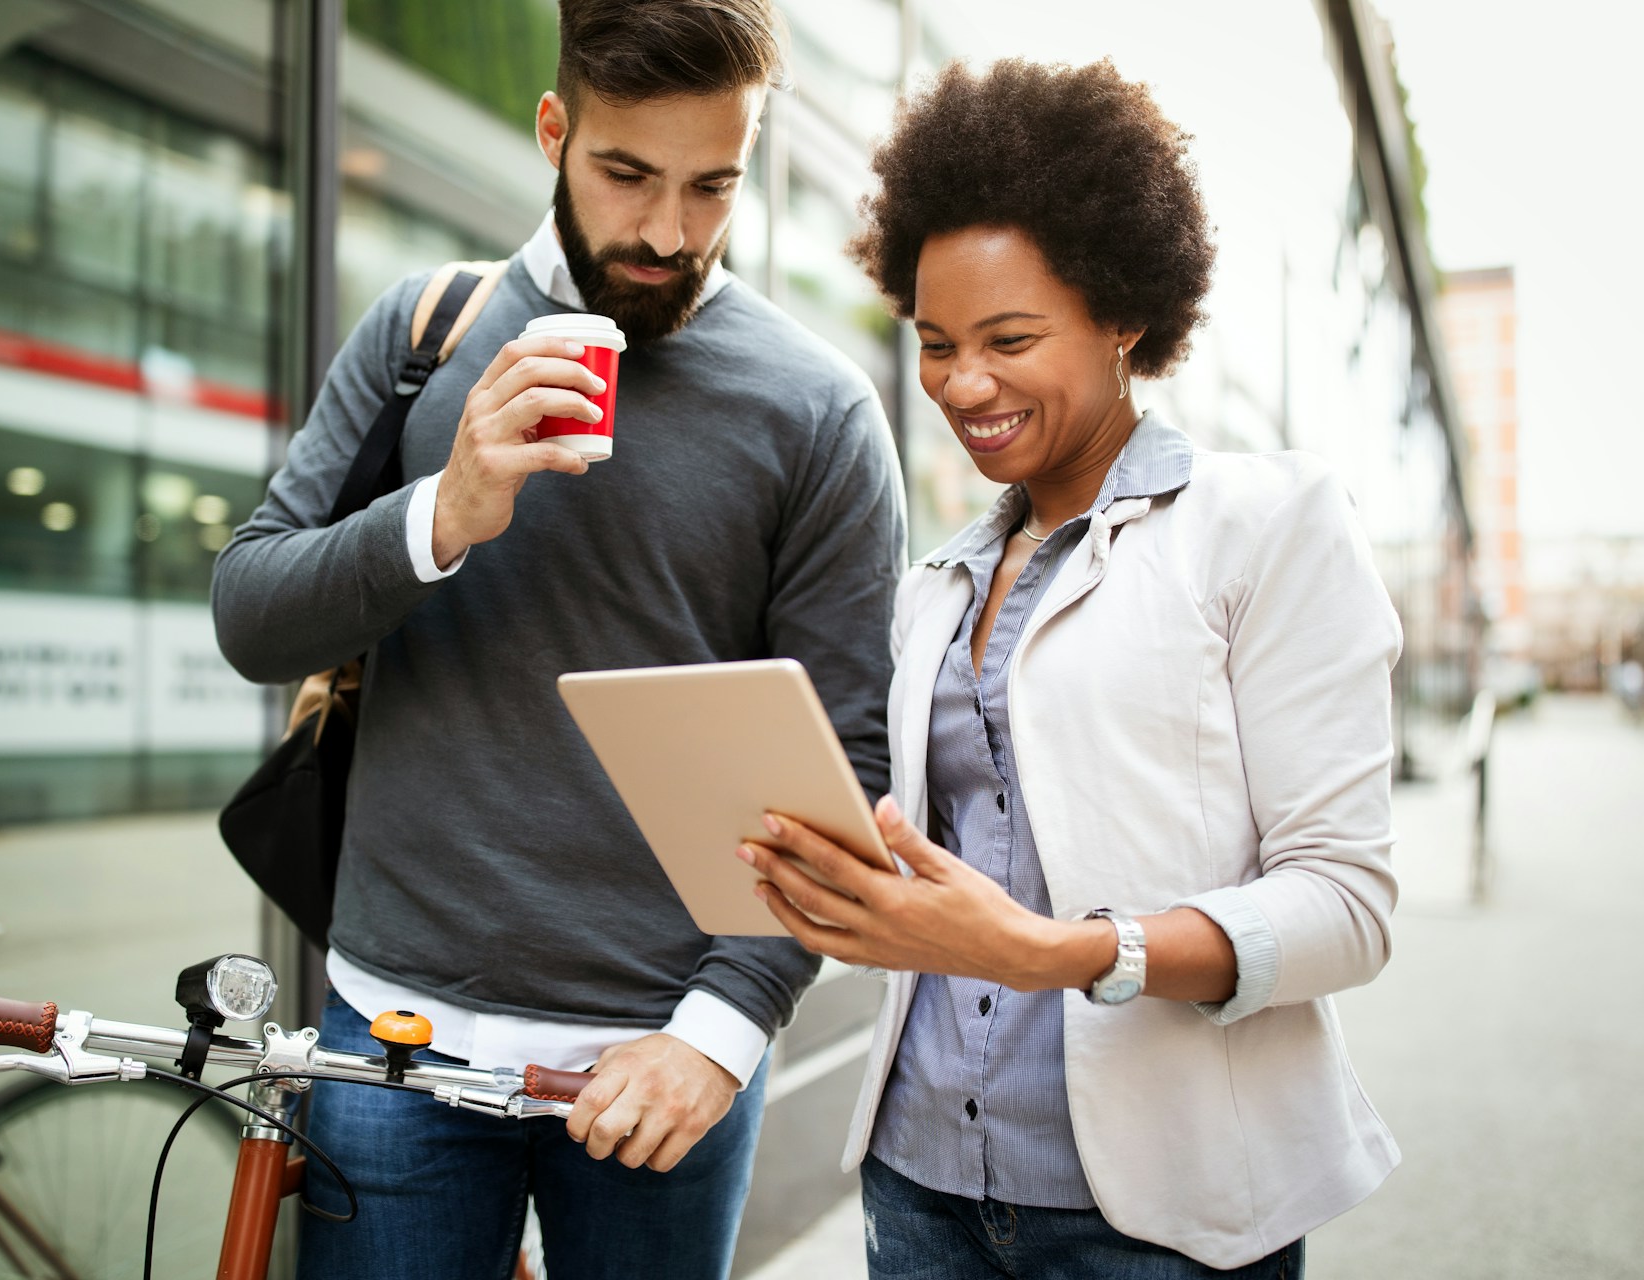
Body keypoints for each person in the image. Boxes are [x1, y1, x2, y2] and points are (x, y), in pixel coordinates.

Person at [211, 2, 906, 1275]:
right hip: (391, 1040)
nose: (665, 232)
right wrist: (444, 510)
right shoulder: (424, 337)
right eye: (626, 173)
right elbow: (251, 612)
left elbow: (850, 763)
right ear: (553, 130)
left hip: (661, 1061)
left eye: (713, 187)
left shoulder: (818, 411)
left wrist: (721, 1031)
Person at [743, 58, 1401, 1277]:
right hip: (921, 1179)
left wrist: (1066, 951)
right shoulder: (939, 581)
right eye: (937, 344)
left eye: (1009, 338)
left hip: (1156, 1212)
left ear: (1123, 314)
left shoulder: (1267, 526)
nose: (963, 384)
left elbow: (1348, 906)